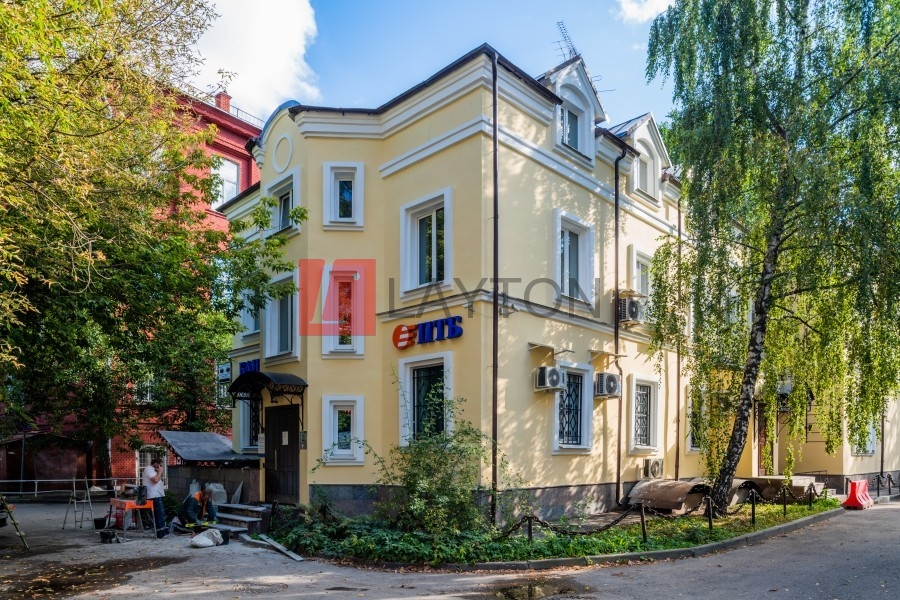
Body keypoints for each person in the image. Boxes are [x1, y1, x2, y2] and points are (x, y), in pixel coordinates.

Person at [141, 457, 169, 539]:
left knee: (160, 514)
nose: (160, 467)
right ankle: (161, 533)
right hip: (154, 495)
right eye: (159, 465)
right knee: (159, 514)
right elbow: (155, 480)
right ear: (155, 464)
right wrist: (160, 472)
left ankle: (162, 531)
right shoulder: (149, 469)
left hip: (156, 495)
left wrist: (158, 472)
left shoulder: (152, 470)